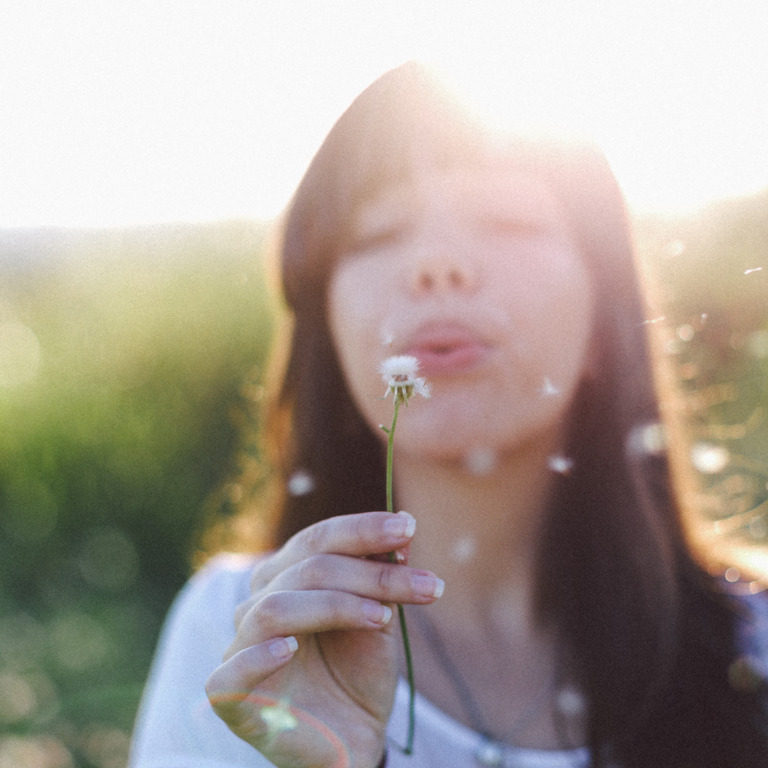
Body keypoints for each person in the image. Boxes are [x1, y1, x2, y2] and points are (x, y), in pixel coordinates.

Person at [128, 62, 768, 768]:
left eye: (507, 220)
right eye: (378, 233)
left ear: (603, 321)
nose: (436, 265)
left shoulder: (753, 643)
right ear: (329, 333)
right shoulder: (245, 640)